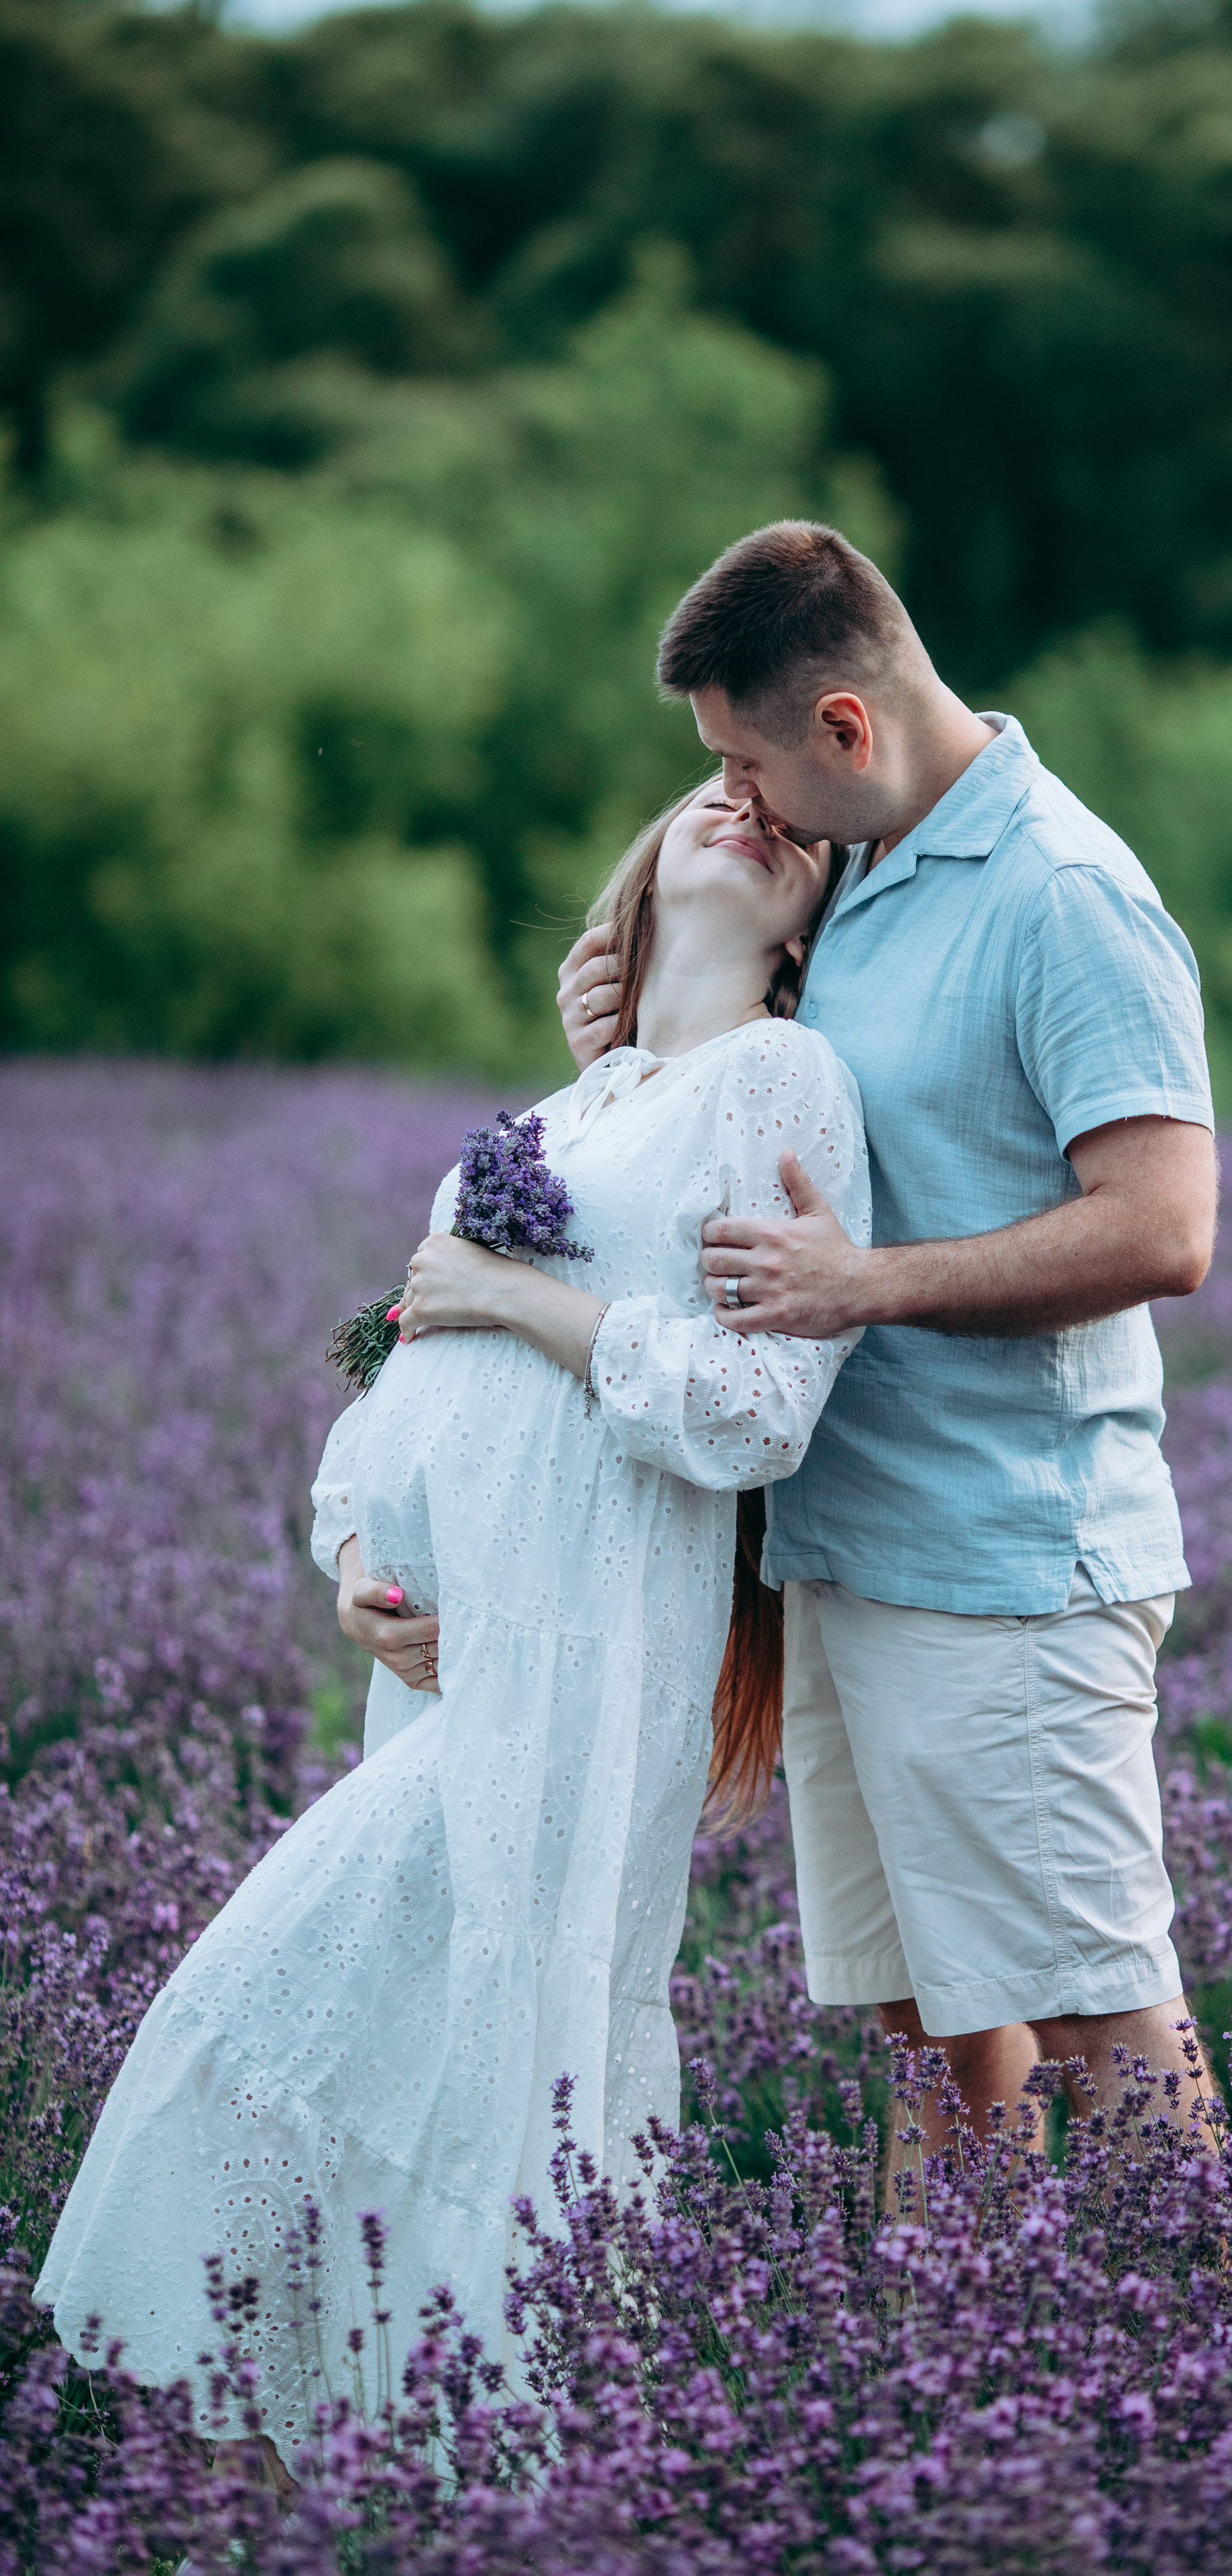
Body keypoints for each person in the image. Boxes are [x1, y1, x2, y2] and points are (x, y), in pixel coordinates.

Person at [35, 781, 869, 2483]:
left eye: (793, 819)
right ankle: (365, 2491)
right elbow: (392, 1411)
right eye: (712, 788)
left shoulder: (781, 1081)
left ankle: (471, 2484)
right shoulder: (541, 1122)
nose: (747, 809)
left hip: (585, 1670)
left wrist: (515, 1296)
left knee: (312, 2027)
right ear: (634, 877)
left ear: (805, 937)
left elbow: (757, 1406)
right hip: (442, 1676)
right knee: (430, 2071)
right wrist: (351, 1557)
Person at [560, 522, 1221, 2182]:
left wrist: (863, 1286)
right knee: (931, 2029)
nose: (737, 798)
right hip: (847, 1553)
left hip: (1004, 1555)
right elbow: (790, 1140)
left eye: (743, 759)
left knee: (1098, 2021)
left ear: (843, 726)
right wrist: (636, 1047)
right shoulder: (850, 863)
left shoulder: (1065, 896)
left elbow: (1162, 1229)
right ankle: (948, 2407)